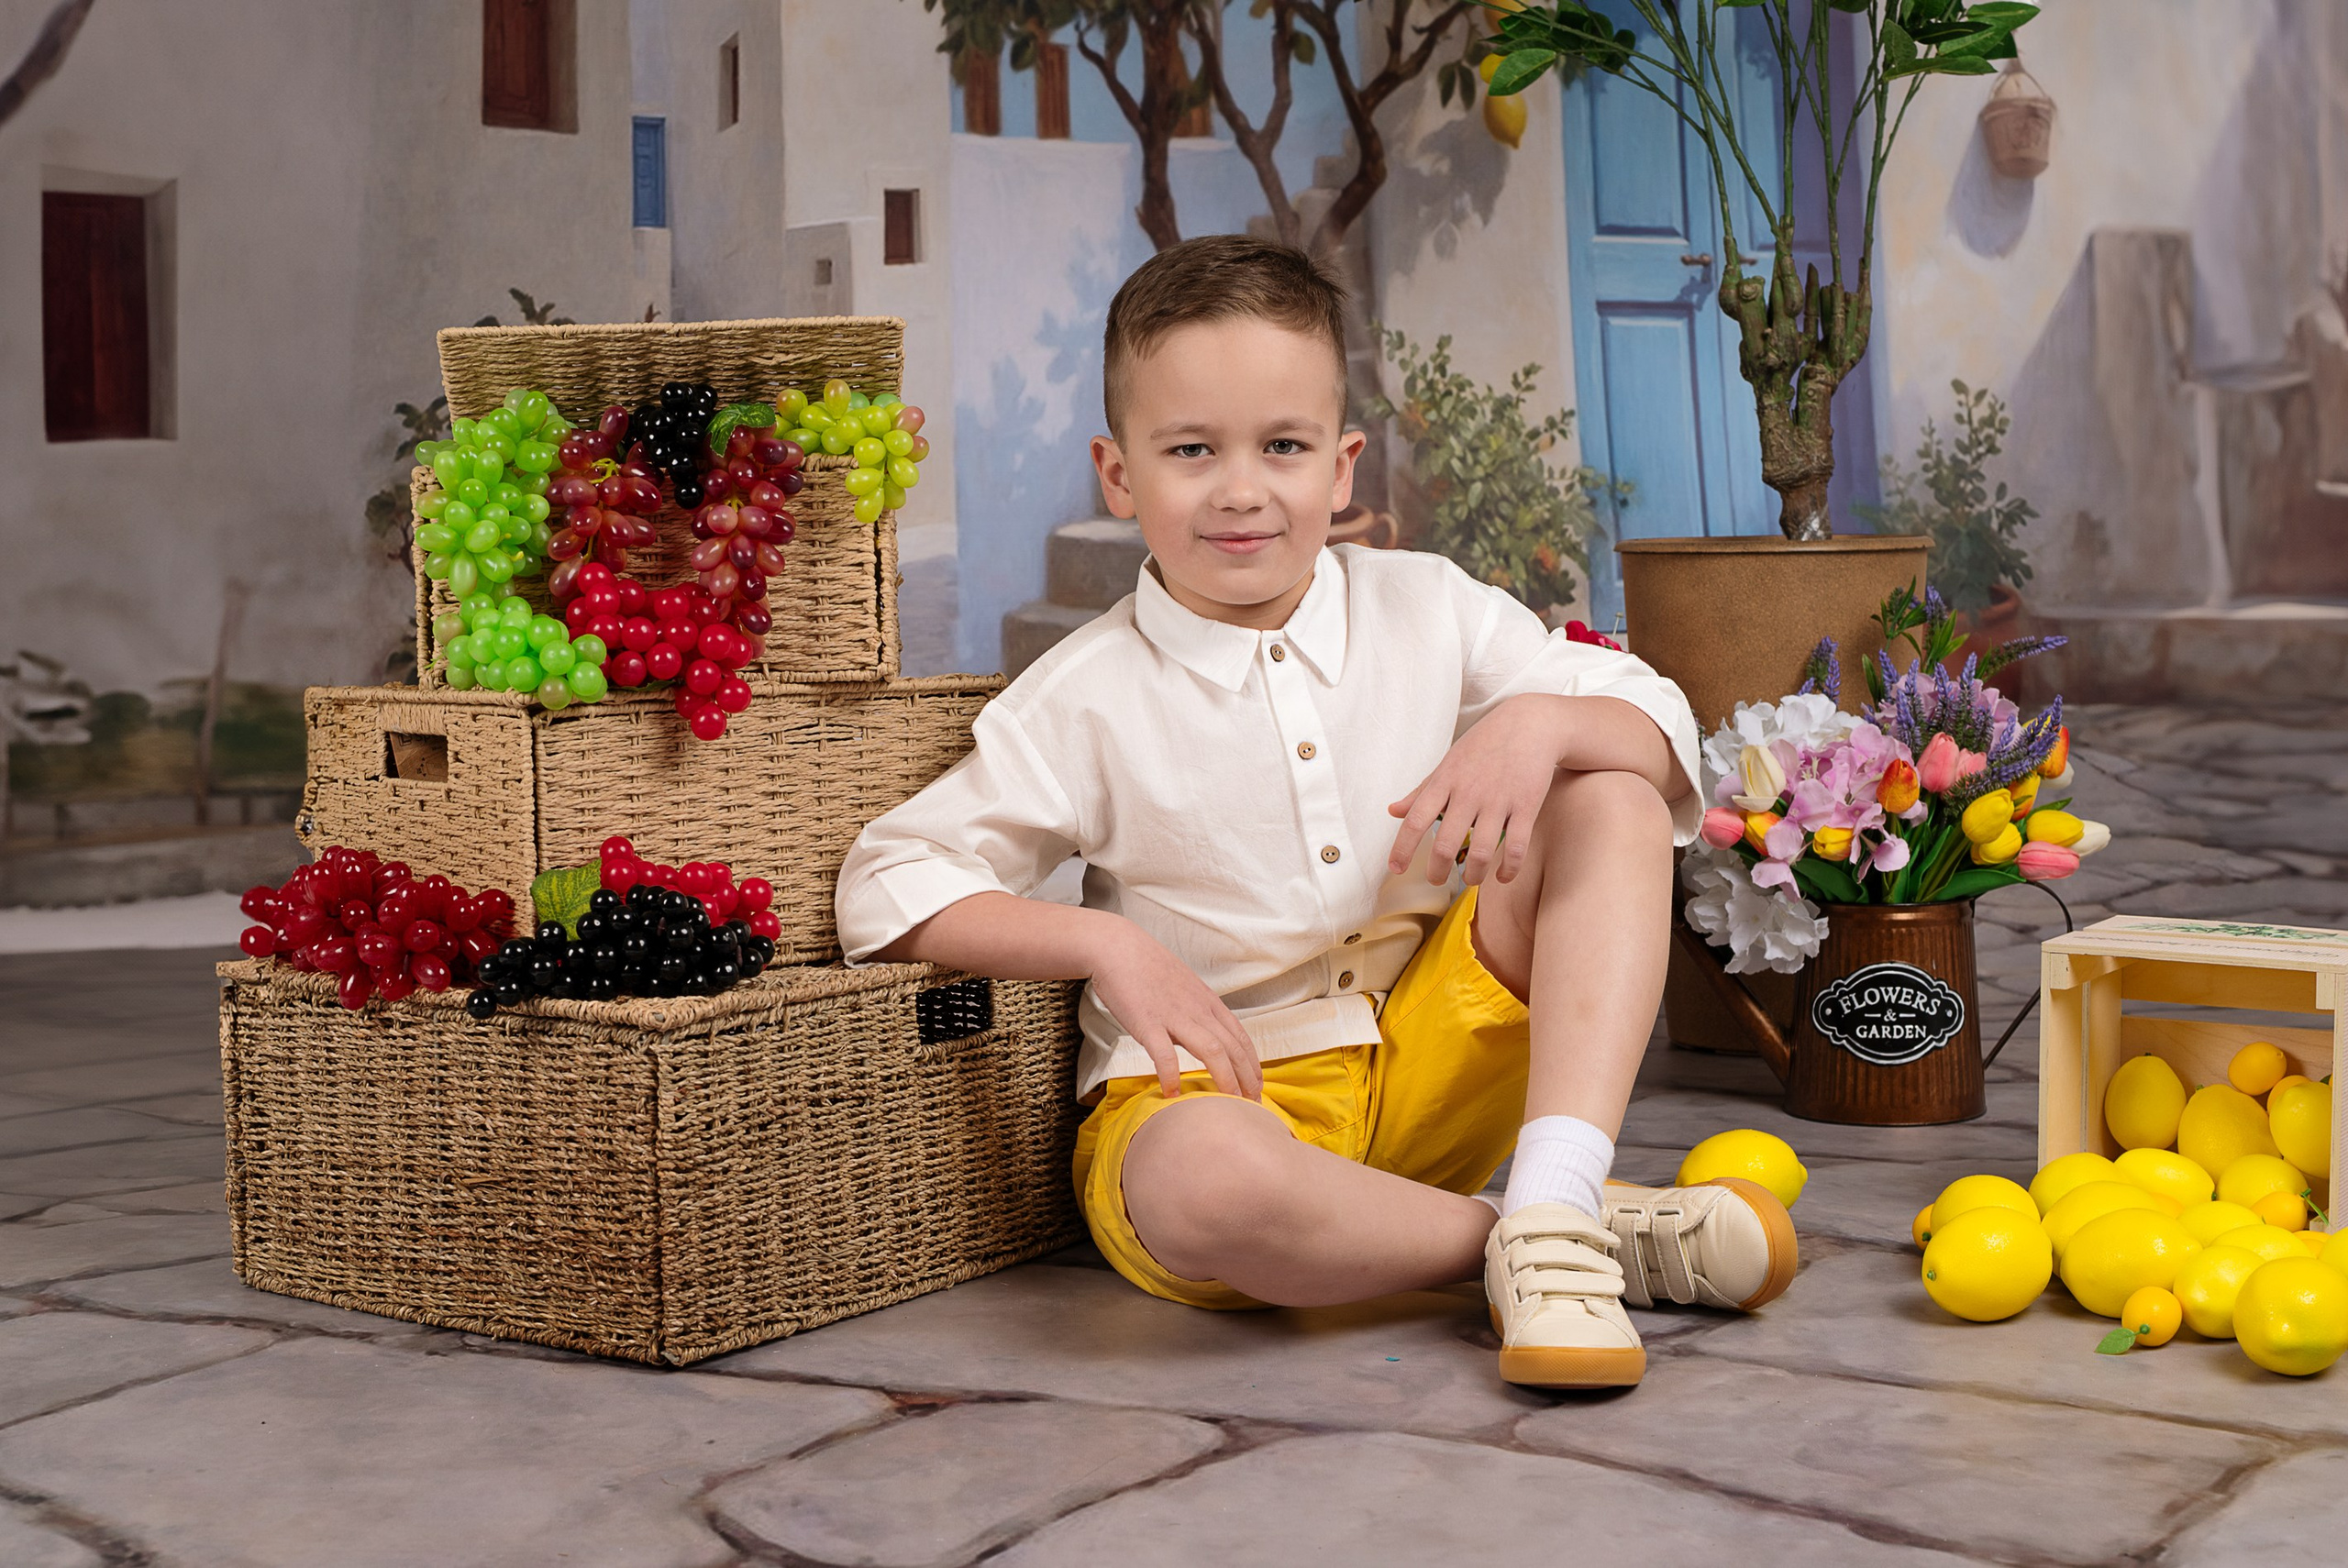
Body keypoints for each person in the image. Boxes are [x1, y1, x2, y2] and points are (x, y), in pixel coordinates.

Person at [836, 235, 1794, 1388]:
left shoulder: (1427, 607)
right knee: (1201, 1183)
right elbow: (887, 879)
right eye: (1191, 450)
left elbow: (1658, 725)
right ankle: (1550, 1237)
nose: (1242, 489)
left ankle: (1548, 1193)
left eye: (1281, 447)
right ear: (1118, 475)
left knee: (1612, 798)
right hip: (1218, 1108)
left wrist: (1537, 722)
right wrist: (1101, 942)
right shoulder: (1082, 693)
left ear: (1340, 469)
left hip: (1439, 1065)